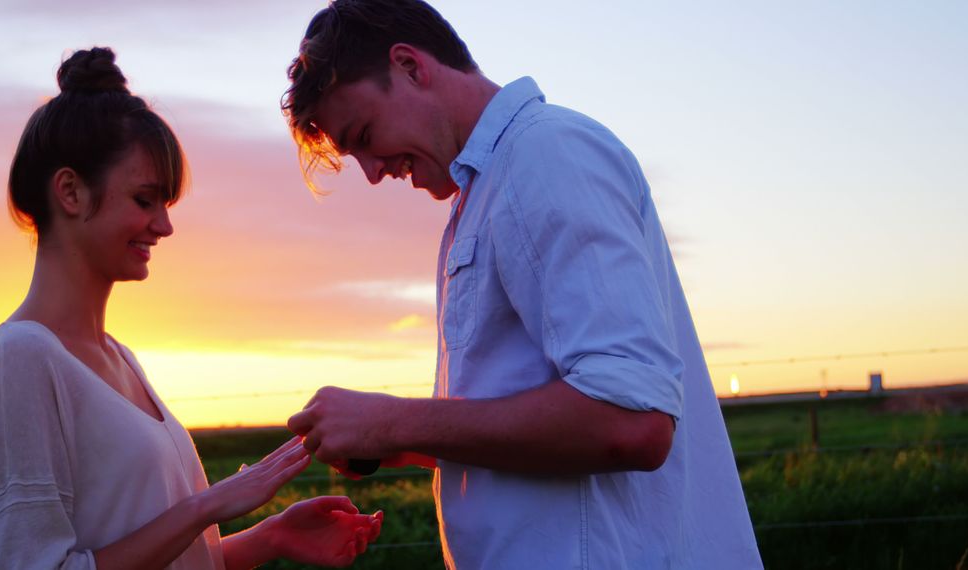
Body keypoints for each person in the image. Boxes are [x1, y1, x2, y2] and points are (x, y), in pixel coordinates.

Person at [281, 1, 763, 568]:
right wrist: (383, 440)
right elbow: (526, 430)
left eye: (364, 134)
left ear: (410, 66)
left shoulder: (544, 153)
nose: (372, 171)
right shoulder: (484, 193)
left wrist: (392, 419)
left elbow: (630, 422)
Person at [0, 47, 381, 570]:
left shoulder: (119, 358)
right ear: (69, 191)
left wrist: (267, 538)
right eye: (144, 200)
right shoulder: (18, 360)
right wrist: (207, 504)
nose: (164, 225)